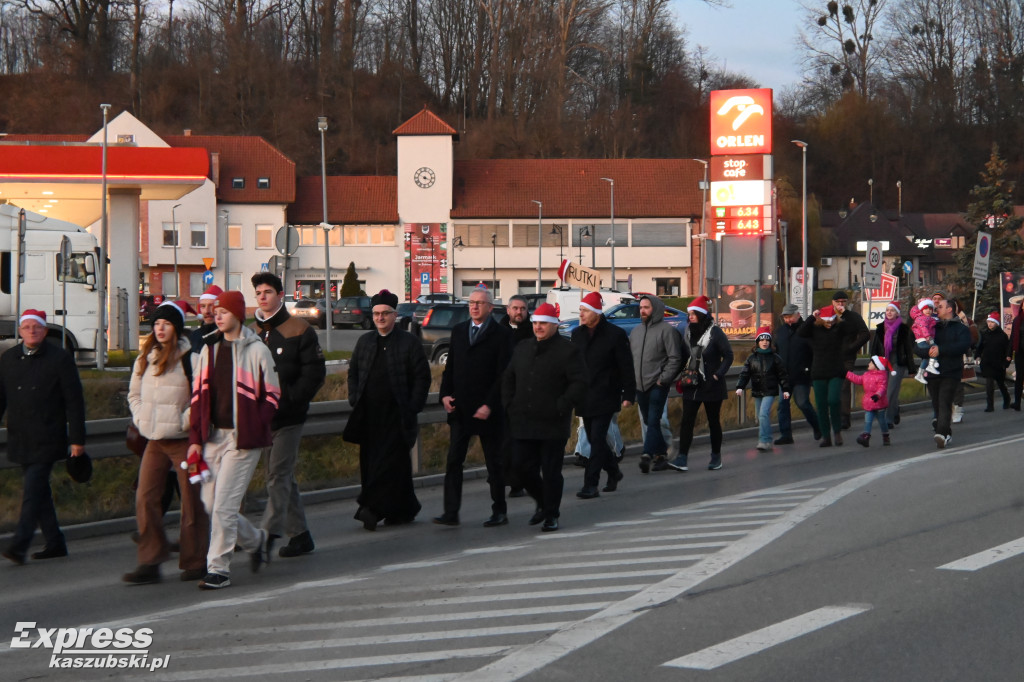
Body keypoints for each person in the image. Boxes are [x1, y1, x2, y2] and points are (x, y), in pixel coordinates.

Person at [188, 291, 281, 589]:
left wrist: (255, 425)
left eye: (224, 311)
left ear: (238, 315)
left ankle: (218, 569)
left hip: (243, 440)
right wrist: (195, 438)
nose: (217, 315)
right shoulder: (209, 350)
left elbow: (273, 396)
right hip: (213, 438)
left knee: (224, 507)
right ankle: (258, 541)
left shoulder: (257, 350)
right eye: (216, 311)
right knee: (210, 502)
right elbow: (198, 397)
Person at [123, 301, 209, 584]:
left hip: (184, 441)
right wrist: (142, 416)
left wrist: (183, 421)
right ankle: (150, 560)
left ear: (177, 328)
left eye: (167, 324)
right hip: (154, 440)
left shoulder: (190, 358)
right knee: (145, 498)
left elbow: (200, 397)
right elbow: (134, 393)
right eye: (156, 324)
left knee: (191, 501)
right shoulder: (145, 357)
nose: (160, 328)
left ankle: (195, 561)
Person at [0, 310, 86, 565]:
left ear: (45, 331)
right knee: (39, 491)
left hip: (49, 435)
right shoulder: (8, 358)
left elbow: (74, 402)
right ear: (20, 332)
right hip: (20, 435)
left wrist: (77, 439)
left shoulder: (59, 359)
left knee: (31, 489)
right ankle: (55, 542)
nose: (31, 331)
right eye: (26, 327)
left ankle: (20, 543)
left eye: (36, 327)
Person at [251, 272, 326, 558]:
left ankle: (268, 533)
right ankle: (301, 535)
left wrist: (292, 399)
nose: (263, 296)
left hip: (289, 417)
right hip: (260, 418)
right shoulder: (252, 332)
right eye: (259, 292)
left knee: (277, 475)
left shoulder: (299, 329)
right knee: (283, 477)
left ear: (280, 294)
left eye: (268, 291)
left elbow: (314, 372)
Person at [345, 289, 431, 531]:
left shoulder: (409, 343)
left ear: (395, 315)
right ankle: (404, 509)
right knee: (373, 463)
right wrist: (354, 397)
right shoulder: (365, 342)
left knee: (388, 464)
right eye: (376, 314)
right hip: (369, 416)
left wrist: (413, 406)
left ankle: (371, 509)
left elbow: (422, 377)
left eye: (385, 314)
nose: (380, 318)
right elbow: (353, 373)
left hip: (398, 416)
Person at [502, 302, 586, 532]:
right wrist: (509, 404)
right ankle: (542, 501)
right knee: (520, 467)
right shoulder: (523, 348)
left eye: (543, 323)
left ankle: (551, 514)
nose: (538, 327)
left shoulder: (568, 351)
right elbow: (509, 377)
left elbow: (579, 383)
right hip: (523, 420)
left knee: (550, 472)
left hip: (552, 423)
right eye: (536, 323)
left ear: (554, 325)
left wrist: (562, 405)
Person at [435, 286, 512, 527]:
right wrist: (445, 395)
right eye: (472, 303)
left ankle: (499, 510)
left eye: (480, 303)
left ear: (490, 307)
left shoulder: (501, 335)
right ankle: (451, 512)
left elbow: (503, 375)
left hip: (487, 410)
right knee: (454, 461)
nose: (475, 306)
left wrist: (490, 404)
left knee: (494, 462)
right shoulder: (459, 331)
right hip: (461, 407)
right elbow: (451, 368)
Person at [570, 292, 635, 498]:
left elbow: (626, 366)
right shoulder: (577, 334)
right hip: (584, 396)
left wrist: (629, 393)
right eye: (580, 310)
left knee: (597, 439)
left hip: (606, 394)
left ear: (596, 313)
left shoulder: (615, 334)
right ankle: (614, 472)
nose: (581, 314)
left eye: (585, 311)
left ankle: (591, 484)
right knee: (593, 437)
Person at [670, 296, 732, 471]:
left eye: (693, 314)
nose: (690, 317)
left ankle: (716, 457)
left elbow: (729, 355)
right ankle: (682, 458)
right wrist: (673, 375)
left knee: (713, 422)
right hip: (692, 383)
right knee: (687, 420)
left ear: (702, 314)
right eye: (689, 314)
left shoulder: (715, 333)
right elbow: (684, 356)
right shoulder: (688, 333)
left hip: (712, 385)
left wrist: (717, 375)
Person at [629, 295, 683, 473]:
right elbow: (631, 358)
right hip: (640, 385)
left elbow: (675, 357)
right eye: (641, 307)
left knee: (653, 420)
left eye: (647, 307)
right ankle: (661, 456)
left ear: (656, 309)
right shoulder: (636, 332)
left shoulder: (666, 330)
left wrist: (663, 379)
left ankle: (647, 454)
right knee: (649, 421)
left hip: (658, 384)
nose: (642, 310)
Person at [915, 297, 971, 449]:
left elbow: (963, 346)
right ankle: (946, 432)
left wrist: (942, 350)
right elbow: (918, 347)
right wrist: (928, 351)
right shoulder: (932, 327)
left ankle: (941, 433)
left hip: (951, 372)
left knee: (945, 402)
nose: (935, 308)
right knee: (937, 404)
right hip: (933, 373)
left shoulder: (961, 328)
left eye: (940, 306)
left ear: (949, 309)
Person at [499, 294, 533, 497]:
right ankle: (506, 477)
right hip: (503, 393)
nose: (518, 312)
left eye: (522, 309)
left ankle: (520, 481)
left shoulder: (532, 333)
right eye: (515, 308)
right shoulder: (498, 331)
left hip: (526, 394)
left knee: (523, 441)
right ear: (508, 310)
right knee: (504, 440)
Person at [798, 305, 847, 447]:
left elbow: (855, 329)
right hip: (819, 372)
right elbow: (801, 332)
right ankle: (826, 436)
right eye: (827, 321)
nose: (829, 323)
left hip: (836, 371)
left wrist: (845, 312)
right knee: (821, 405)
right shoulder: (814, 329)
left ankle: (837, 431)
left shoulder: (839, 329)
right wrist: (812, 317)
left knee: (833, 400)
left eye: (832, 320)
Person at [734, 326, 789, 452]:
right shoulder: (752, 358)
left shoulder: (775, 358)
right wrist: (740, 386)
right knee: (760, 416)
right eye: (762, 339)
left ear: (770, 342)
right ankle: (768, 439)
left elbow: (783, 375)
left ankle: (764, 440)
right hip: (758, 391)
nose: (765, 342)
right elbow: (745, 374)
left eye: (767, 340)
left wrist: (785, 389)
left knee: (764, 414)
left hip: (770, 391)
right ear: (757, 342)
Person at [774, 303, 821, 443]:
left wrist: (812, 370)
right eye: (785, 317)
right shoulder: (780, 332)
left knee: (802, 403)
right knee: (782, 406)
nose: (788, 320)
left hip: (802, 375)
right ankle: (786, 435)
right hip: (785, 376)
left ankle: (818, 426)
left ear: (798, 315)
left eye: (790, 317)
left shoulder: (806, 330)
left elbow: (815, 351)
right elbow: (776, 351)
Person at [869, 301, 916, 429]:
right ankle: (894, 410)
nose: (889, 312)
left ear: (897, 313)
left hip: (898, 363)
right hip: (883, 363)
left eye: (892, 310)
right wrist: (873, 362)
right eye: (887, 310)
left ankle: (887, 420)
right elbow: (874, 349)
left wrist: (912, 368)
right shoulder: (880, 329)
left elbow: (908, 350)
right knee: (886, 392)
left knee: (890, 391)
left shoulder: (904, 330)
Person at [831, 291, 870, 430]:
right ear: (833, 303)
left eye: (843, 302)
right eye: (838, 302)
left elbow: (865, 334)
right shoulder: (829, 316)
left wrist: (852, 347)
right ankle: (833, 416)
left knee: (844, 387)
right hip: (830, 358)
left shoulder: (853, 317)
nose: (841, 304)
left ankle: (844, 417)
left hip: (847, 358)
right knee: (831, 388)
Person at [846, 355, 895, 447]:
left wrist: (878, 395)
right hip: (869, 403)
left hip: (879, 403)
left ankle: (885, 435)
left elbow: (882, 387)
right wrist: (847, 374)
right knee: (868, 421)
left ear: (877, 366)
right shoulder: (866, 375)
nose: (868, 364)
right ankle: (866, 436)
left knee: (882, 421)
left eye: (871, 362)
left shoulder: (882, 376)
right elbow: (859, 380)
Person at [950, 299, 979, 423]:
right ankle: (948, 409)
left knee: (958, 385)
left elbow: (974, 338)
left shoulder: (965, 320)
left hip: (961, 357)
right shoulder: (941, 321)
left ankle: (957, 409)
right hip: (946, 357)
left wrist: (965, 341)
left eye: (953, 306)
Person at [977, 311, 1011, 412]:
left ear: (996, 323)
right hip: (987, 363)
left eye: (992, 322)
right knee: (989, 385)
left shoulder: (1002, 336)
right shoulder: (985, 334)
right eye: (988, 322)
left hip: (999, 364)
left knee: (1001, 384)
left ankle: (1006, 399)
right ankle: (990, 405)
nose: (990, 324)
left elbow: (1007, 350)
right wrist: (977, 356)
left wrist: (1006, 363)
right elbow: (980, 347)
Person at [911, 299, 939, 382]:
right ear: (921, 310)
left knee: (926, 357)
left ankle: (920, 374)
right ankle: (932, 364)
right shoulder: (922, 319)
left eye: (930, 309)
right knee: (934, 348)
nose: (928, 311)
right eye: (926, 308)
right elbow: (924, 329)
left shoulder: (927, 318)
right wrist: (928, 337)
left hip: (924, 339)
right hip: (924, 339)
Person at [190, 284, 222, 354]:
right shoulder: (194, 336)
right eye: (203, 306)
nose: (207, 311)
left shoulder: (227, 336)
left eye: (211, 306)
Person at [1009, 305, 1024, 410]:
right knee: (1019, 377)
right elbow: (1013, 336)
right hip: (1020, 352)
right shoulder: (1017, 320)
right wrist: (1008, 354)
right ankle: (1017, 402)